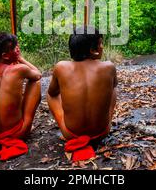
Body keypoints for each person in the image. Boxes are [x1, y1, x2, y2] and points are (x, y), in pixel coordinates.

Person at [47, 26, 118, 162]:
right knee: (114, 88)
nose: (102, 46)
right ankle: (104, 120)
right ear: (93, 50)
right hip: (102, 132)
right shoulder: (109, 67)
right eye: (101, 43)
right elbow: (114, 86)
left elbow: (52, 93)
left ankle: (68, 121)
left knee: (51, 95)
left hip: (71, 134)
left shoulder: (61, 67)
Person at [0, 32, 42, 161]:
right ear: (5, 56)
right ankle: (26, 124)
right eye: (15, 48)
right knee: (36, 82)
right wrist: (21, 59)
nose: (18, 48)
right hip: (16, 134)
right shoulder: (19, 69)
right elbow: (37, 74)